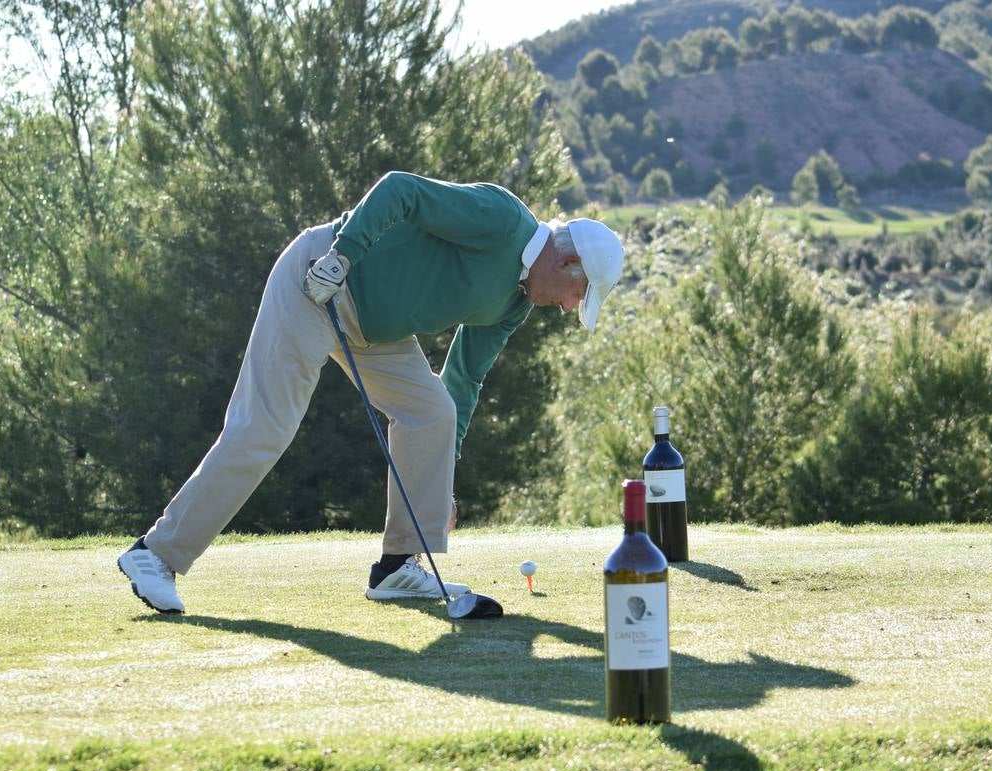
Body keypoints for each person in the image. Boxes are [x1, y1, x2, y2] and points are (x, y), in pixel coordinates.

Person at [117, 171, 625, 619]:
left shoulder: (515, 302)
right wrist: (343, 255)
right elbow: (401, 189)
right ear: (566, 261)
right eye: (579, 294)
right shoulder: (501, 218)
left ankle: (397, 567)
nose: (568, 308)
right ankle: (156, 553)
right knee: (265, 427)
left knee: (433, 414)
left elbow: (465, 376)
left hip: (376, 334)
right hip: (318, 283)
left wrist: (440, 476)